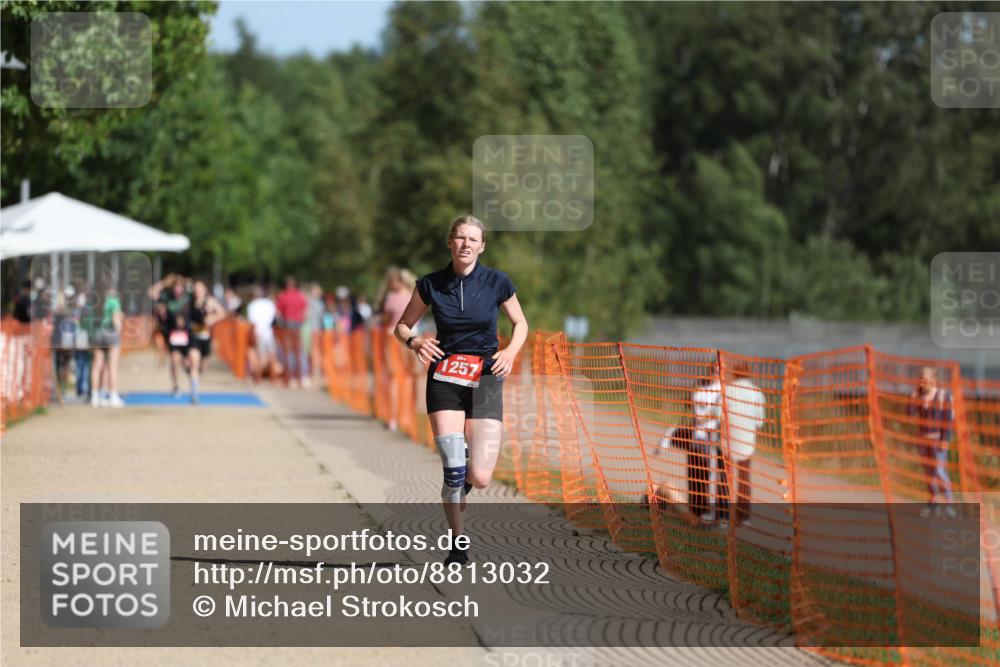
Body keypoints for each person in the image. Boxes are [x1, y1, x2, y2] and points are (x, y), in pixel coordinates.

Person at [394, 215, 528, 565]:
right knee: (454, 471)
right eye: (460, 237)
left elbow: (520, 323)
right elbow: (402, 325)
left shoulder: (497, 282)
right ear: (449, 242)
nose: (466, 244)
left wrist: (510, 353)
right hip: (445, 379)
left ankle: (464, 477)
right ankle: (458, 545)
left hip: (486, 379)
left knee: (479, 477)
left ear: (482, 246)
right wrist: (414, 342)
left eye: (473, 239)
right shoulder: (431, 284)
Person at [718, 362, 766, 527]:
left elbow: (718, 414)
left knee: (725, 477)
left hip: (727, 438)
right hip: (746, 440)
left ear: (734, 372)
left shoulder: (727, 390)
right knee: (744, 478)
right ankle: (743, 517)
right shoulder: (756, 392)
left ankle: (724, 515)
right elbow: (759, 421)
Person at [908, 366, 956, 517]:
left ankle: (949, 504)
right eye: (921, 379)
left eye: (925, 379)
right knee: (929, 474)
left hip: (938, 440)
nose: (922, 382)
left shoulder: (944, 395)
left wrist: (945, 439)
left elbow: (949, 419)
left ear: (933, 380)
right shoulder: (919, 395)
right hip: (923, 440)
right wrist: (914, 396)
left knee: (940, 472)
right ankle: (933, 504)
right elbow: (909, 413)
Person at [380, 267, 418, 431]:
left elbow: (386, 320)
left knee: (395, 379)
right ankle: (406, 416)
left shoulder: (392, 298)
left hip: (395, 340)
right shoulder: (414, 296)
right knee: (409, 378)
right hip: (413, 339)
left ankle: (395, 418)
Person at [187, 280, 226, 403]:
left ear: (205, 290)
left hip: (206, 338)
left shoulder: (209, 302)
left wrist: (213, 319)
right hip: (193, 337)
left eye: (200, 290)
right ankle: (195, 395)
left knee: (203, 366)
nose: (197, 292)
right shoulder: (190, 302)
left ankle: (196, 374)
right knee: (194, 362)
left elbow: (222, 313)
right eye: (196, 290)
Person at [91, 285, 124, 408]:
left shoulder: (98, 302)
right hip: (110, 333)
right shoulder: (114, 301)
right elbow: (115, 319)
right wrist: (119, 328)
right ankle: (113, 396)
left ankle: (96, 396)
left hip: (99, 333)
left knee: (97, 365)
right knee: (112, 366)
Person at [276, 276, 308, 387]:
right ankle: (300, 378)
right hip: (297, 325)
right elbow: (305, 312)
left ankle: (289, 379)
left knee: (287, 352)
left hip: (287, 325)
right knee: (298, 351)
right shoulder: (300, 296)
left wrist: (280, 325)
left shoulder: (282, 296)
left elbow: (278, 314)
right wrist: (301, 321)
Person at [247, 285, 278, 384]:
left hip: (258, 332)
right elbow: (274, 318)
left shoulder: (252, 305)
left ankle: (259, 378)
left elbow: (252, 322)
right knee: (272, 355)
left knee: (260, 355)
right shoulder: (270, 303)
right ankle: (273, 378)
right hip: (269, 332)